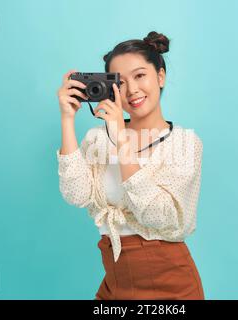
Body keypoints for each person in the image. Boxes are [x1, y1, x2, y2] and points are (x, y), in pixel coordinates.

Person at [56, 31, 204, 300]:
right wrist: (67, 119)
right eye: (120, 82)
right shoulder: (97, 138)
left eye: (140, 76)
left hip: (170, 284)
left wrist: (123, 143)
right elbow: (76, 195)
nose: (132, 90)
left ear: (160, 76)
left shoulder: (184, 142)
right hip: (117, 280)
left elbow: (158, 216)